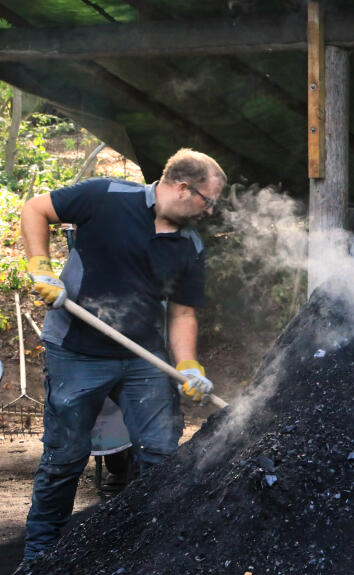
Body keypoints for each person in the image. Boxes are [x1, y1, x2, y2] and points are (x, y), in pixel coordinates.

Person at [19, 148, 227, 565]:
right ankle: (39, 555)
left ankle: (152, 552)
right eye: (209, 201)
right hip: (77, 351)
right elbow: (35, 209)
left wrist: (186, 363)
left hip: (143, 359)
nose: (211, 211)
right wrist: (40, 265)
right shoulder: (105, 196)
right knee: (64, 459)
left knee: (162, 455)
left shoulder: (190, 245)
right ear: (184, 188)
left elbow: (184, 312)